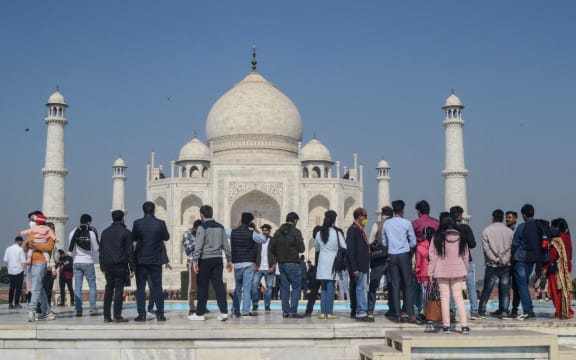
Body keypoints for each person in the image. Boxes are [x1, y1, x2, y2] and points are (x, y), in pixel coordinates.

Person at [188, 205, 232, 321]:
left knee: (203, 287)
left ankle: (199, 314)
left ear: (202, 215)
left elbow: (198, 245)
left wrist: (195, 261)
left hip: (205, 260)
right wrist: (229, 259)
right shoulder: (220, 227)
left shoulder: (202, 227)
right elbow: (226, 245)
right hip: (218, 259)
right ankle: (223, 312)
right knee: (219, 286)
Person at [428, 216, 470, 334]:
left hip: (441, 270)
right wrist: (465, 271)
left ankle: (446, 326)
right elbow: (465, 256)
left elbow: (433, 256)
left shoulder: (437, 237)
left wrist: (430, 273)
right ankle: (464, 326)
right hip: (458, 270)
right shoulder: (461, 237)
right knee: (459, 298)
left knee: (444, 298)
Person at [132, 202, 170, 322]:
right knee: (157, 287)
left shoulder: (137, 223)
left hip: (141, 260)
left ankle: (142, 314)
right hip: (156, 260)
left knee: (141, 287)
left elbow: (133, 238)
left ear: (143, 211)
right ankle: (160, 314)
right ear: (154, 210)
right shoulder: (160, 223)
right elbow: (166, 237)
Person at [383, 200, 417, 323]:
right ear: (402, 210)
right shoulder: (406, 223)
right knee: (407, 284)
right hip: (404, 255)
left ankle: (397, 314)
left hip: (392, 255)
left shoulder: (387, 224)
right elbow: (413, 241)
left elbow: (384, 241)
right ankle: (410, 313)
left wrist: (391, 246)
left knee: (395, 284)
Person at [229, 212, 268, 317]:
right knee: (247, 288)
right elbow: (264, 240)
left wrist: (236, 226)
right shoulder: (252, 234)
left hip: (237, 264)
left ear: (241, 220)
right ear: (250, 222)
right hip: (248, 264)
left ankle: (235, 310)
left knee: (238, 288)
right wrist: (255, 229)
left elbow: (223, 232)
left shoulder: (233, 232)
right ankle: (245, 311)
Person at [99, 210, 135, 323]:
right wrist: (132, 268)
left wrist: (102, 266)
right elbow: (130, 252)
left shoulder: (105, 232)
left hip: (108, 265)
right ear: (123, 218)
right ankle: (117, 315)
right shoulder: (126, 232)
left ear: (112, 218)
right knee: (119, 290)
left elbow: (101, 251)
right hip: (120, 264)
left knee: (108, 289)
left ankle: (106, 316)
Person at [477, 209, 513, 319]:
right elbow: (511, 248)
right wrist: (504, 259)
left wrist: (496, 259)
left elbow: (487, 249)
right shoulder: (509, 232)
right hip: (506, 265)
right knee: (505, 289)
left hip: (492, 264)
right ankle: (505, 311)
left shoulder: (487, 231)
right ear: (502, 218)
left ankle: (482, 311)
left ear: (493, 218)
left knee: (487, 289)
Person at [270, 212, 306, 319]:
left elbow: (272, 249)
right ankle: (293, 311)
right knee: (296, 287)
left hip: (281, 264)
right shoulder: (296, 232)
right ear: (295, 221)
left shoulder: (277, 232)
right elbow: (302, 249)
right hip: (293, 263)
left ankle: (285, 311)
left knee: (284, 288)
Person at [22, 211, 56, 322]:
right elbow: (25, 248)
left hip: (41, 262)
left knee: (35, 288)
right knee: (39, 287)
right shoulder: (34, 231)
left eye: (33, 220)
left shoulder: (49, 231)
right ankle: (47, 311)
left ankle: (31, 311)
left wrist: (35, 245)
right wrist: (28, 244)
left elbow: (49, 247)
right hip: (31, 262)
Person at [449, 206, 480, 320]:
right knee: (471, 286)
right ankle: (474, 311)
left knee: (452, 287)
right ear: (460, 215)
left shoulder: (448, 229)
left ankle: (452, 311)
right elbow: (472, 244)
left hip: (452, 261)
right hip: (467, 260)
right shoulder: (465, 228)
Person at [511, 204, 541, 320]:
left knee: (522, 285)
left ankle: (528, 310)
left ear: (524, 215)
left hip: (520, 259)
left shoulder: (522, 227)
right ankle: (529, 309)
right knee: (525, 284)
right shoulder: (538, 226)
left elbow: (515, 243)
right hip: (531, 260)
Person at [315, 210, 346, 319]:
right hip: (333, 262)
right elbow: (344, 247)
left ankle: (323, 312)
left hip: (322, 262)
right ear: (334, 220)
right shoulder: (336, 233)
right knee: (330, 287)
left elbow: (317, 249)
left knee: (323, 288)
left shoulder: (319, 233)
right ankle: (329, 312)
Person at [412, 200, 439, 320]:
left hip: (419, 254)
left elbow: (412, 240)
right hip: (435, 255)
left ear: (418, 211)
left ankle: (419, 310)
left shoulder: (415, 223)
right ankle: (436, 310)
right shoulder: (436, 223)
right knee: (435, 287)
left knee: (418, 286)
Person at [68, 214, 100, 317]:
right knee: (92, 285)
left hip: (76, 262)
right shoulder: (91, 232)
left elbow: (70, 248)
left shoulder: (73, 232)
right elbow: (96, 248)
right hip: (88, 262)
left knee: (77, 287)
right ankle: (93, 308)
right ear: (89, 222)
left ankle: (78, 309)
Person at [347, 207, 373, 322]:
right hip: (358, 266)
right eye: (365, 216)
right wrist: (354, 268)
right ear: (359, 217)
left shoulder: (360, 230)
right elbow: (351, 251)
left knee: (361, 288)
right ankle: (361, 312)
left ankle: (360, 311)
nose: (366, 219)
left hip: (362, 265)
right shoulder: (353, 230)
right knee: (360, 289)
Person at [367, 206, 393, 318]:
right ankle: (393, 309)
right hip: (393, 259)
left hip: (379, 259)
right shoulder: (396, 224)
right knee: (392, 285)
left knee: (373, 284)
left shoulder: (377, 225)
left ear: (382, 214)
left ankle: (370, 310)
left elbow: (370, 241)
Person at [547, 218, 574, 319]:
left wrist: (545, 267)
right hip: (566, 268)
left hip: (556, 268)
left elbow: (553, 255)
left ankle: (559, 312)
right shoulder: (567, 237)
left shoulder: (556, 238)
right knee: (564, 291)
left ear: (556, 227)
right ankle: (567, 311)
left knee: (555, 291)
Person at [252, 224, 275, 312]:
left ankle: (267, 305)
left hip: (269, 268)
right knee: (254, 285)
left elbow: (276, 254)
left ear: (269, 231)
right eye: (263, 230)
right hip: (259, 268)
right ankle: (255, 304)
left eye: (266, 230)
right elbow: (253, 252)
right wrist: (254, 264)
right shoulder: (258, 241)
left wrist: (273, 265)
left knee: (269, 287)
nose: (265, 231)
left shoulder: (273, 240)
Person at [182, 219, 202, 315]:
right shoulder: (187, 234)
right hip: (192, 261)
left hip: (202, 262)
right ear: (194, 228)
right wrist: (199, 242)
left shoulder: (201, 234)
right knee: (193, 286)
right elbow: (188, 249)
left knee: (202, 285)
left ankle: (202, 306)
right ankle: (192, 307)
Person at [505, 210, 521, 318]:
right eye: (506, 217)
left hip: (515, 261)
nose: (507, 219)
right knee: (504, 286)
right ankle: (503, 308)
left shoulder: (519, 231)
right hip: (506, 262)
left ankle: (514, 309)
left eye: (509, 217)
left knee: (516, 287)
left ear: (515, 219)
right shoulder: (504, 231)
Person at [4, 236, 26, 309]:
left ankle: (10, 304)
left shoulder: (8, 249)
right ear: (19, 241)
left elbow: (5, 260)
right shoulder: (20, 249)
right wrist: (25, 270)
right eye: (21, 242)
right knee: (18, 288)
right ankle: (16, 303)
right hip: (19, 270)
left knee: (11, 288)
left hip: (10, 270)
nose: (21, 243)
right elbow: (23, 261)